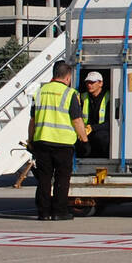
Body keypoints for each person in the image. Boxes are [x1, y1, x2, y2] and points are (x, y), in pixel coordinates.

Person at [27, 60, 89, 221]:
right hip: (63, 144)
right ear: (68, 77)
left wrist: (30, 140)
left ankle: (43, 212)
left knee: (44, 179)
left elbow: (33, 120)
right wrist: (84, 139)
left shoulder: (40, 92)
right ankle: (59, 212)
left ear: (54, 74)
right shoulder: (70, 94)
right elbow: (77, 120)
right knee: (62, 179)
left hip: (42, 141)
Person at [77, 72, 110, 160]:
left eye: (92, 82)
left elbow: (111, 123)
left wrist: (92, 128)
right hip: (86, 132)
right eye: (88, 82)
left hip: (101, 133)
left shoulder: (108, 97)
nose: (89, 85)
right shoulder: (83, 97)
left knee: (101, 137)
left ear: (100, 83)